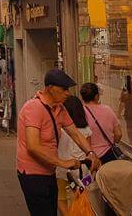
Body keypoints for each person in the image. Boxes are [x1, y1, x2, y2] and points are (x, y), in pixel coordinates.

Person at [16, 69, 100, 216]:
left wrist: (91, 153)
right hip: (32, 173)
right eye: (64, 89)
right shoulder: (34, 108)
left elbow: (75, 133)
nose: (68, 93)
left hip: (49, 171)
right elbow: (33, 146)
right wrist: (63, 162)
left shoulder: (60, 108)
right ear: (50, 88)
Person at [55, 96, 92, 215]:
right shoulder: (86, 129)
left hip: (63, 170)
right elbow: (89, 152)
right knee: (82, 196)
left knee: (61, 197)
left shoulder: (60, 130)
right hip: (84, 173)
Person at [81, 82, 123, 164]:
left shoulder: (80, 112)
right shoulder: (108, 110)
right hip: (108, 155)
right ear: (97, 96)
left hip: (88, 156)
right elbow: (118, 134)